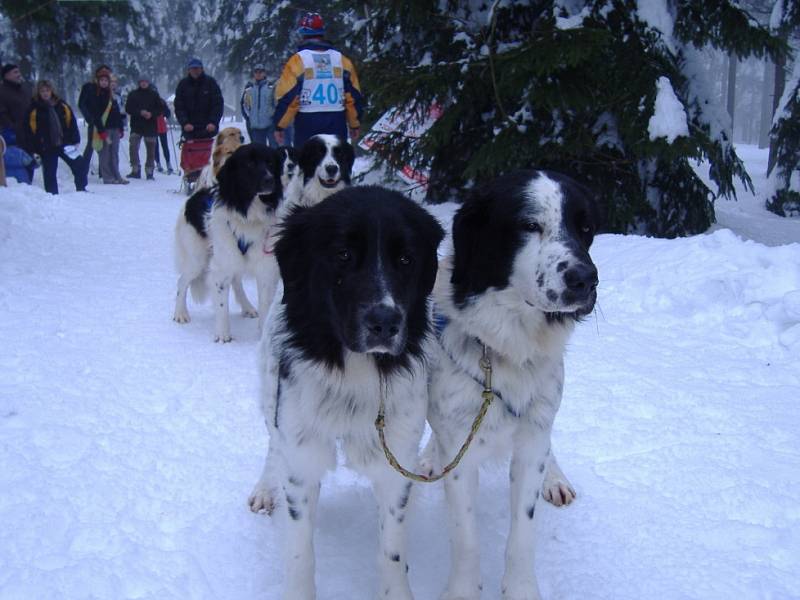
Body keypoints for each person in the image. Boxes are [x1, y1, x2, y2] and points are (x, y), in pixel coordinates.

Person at [273, 13, 363, 148]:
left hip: (307, 120)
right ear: (322, 32)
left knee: (306, 163)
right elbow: (353, 95)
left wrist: (280, 125)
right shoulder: (341, 60)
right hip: (336, 119)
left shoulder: (297, 60)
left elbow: (287, 96)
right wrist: (354, 123)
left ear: (303, 33)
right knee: (336, 164)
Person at [24, 80, 88, 194]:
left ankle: (81, 189)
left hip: (64, 143)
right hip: (46, 146)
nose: (45, 93)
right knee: (49, 173)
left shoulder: (61, 105)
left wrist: (75, 139)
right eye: (42, 91)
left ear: (52, 91)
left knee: (80, 164)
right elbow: (30, 130)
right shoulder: (34, 108)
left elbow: (71, 123)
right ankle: (52, 196)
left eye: (47, 90)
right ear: (38, 92)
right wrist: (34, 147)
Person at [85, 72, 127, 185]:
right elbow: (96, 115)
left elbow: (117, 113)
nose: (104, 82)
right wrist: (101, 131)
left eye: (106, 81)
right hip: (104, 128)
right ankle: (107, 177)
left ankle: (116, 175)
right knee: (105, 154)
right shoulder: (96, 95)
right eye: (102, 80)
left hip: (115, 128)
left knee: (114, 153)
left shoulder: (113, 95)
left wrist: (121, 128)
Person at [174, 58, 223, 140]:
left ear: (202, 69)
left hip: (208, 128)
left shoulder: (211, 83)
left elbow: (217, 104)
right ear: (189, 70)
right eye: (192, 69)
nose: (195, 71)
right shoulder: (183, 84)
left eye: (197, 68)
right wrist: (184, 123)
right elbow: (179, 106)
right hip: (189, 129)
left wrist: (213, 122)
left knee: (209, 152)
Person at [0, 64, 35, 181]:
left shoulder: (24, 90)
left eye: (18, 71)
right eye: (15, 72)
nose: (19, 74)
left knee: (29, 163)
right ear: (6, 75)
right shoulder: (2, 91)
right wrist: (12, 128)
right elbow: (2, 114)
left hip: (28, 134)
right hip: (11, 136)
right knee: (17, 167)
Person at [125, 76, 163, 180]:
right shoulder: (133, 94)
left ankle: (149, 170)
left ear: (148, 83)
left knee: (151, 149)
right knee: (133, 147)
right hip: (136, 125)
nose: (143, 84)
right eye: (141, 82)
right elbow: (128, 108)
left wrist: (152, 114)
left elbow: (160, 109)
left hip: (150, 126)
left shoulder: (154, 95)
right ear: (139, 83)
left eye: (145, 82)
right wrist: (139, 112)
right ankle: (135, 169)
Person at [77, 65, 112, 166]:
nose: (104, 80)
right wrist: (88, 118)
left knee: (102, 145)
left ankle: (103, 170)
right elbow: (82, 104)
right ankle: (83, 167)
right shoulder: (89, 87)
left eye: (107, 75)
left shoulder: (107, 90)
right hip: (93, 120)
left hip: (104, 121)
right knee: (91, 145)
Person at [241, 65, 278, 147]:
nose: (258, 74)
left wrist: (274, 117)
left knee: (274, 149)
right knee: (259, 152)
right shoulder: (249, 88)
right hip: (255, 126)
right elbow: (244, 104)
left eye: (260, 72)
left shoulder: (271, 87)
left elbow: (277, 103)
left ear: (264, 73)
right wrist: (248, 118)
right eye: (256, 72)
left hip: (270, 124)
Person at [152, 91, 173, 174]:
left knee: (164, 145)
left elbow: (167, 113)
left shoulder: (161, 101)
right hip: (154, 125)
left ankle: (167, 163)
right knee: (156, 145)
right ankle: (158, 163)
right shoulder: (151, 101)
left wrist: (165, 114)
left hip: (161, 125)